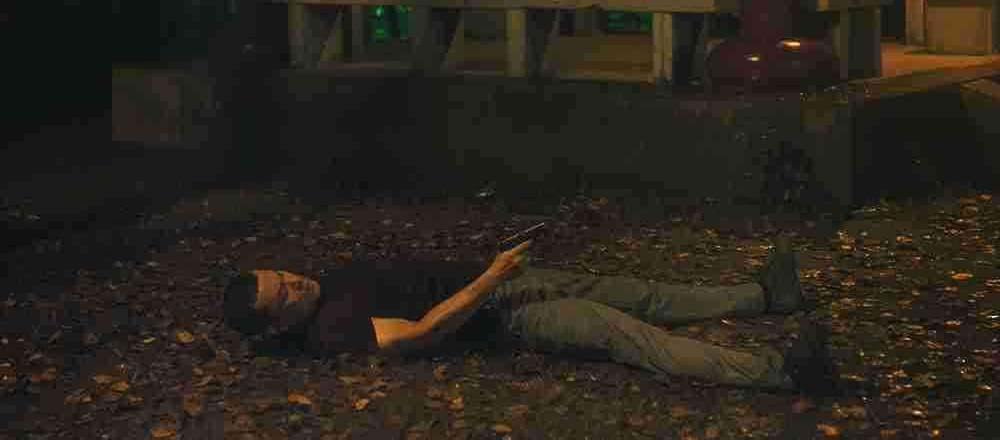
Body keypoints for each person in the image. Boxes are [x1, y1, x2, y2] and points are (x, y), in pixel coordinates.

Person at [222, 237, 839, 395]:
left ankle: (763, 296)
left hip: (503, 283)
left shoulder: (324, 287)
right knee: (625, 332)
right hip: (503, 320)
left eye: (283, 274)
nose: (295, 281)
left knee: (638, 293)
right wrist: (490, 280)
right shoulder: (332, 330)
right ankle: (779, 371)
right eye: (285, 294)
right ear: (281, 324)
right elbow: (423, 332)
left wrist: (495, 273)